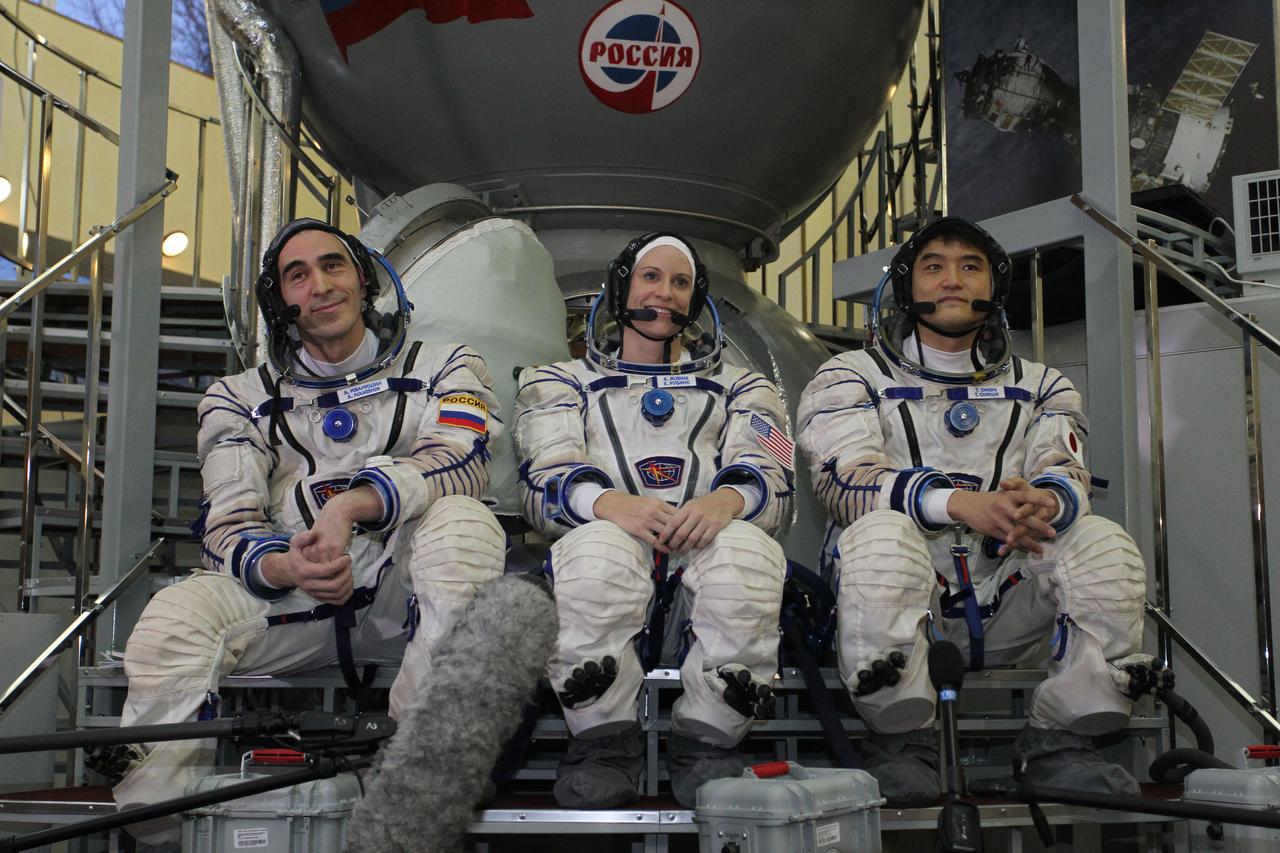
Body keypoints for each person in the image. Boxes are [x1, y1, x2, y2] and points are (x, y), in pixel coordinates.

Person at [99, 219, 506, 843]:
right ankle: (164, 829)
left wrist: (350, 508)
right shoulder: (237, 399)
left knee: (465, 524)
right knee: (174, 616)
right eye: (298, 275)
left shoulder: (449, 365)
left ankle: (412, 776)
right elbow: (228, 523)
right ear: (279, 302)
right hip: (299, 592)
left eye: (333, 265)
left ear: (364, 279)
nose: (320, 285)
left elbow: (463, 460)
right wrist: (287, 566)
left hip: (412, 592)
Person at [797, 217, 1157, 804]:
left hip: (1006, 589)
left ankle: (1060, 741)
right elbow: (845, 480)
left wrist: (1044, 502)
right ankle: (901, 740)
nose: (952, 281)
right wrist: (962, 504)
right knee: (881, 534)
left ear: (995, 284)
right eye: (934, 267)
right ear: (907, 287)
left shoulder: (1043, 386)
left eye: (971, 267)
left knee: (1102, 543)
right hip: (897, 592)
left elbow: (1065, 472)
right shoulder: (849, 376)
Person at [513, 233, 793, 808]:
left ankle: (709, 742)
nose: (664, 293)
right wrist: (615, 506)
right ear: (621, 288)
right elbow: (543, 478)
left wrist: (724, 503)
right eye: (650, 277)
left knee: (748, 552)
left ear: (695, 300)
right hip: (602, 582)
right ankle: (603, 741)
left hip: (700, 588)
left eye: (680, 282)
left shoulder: (744, 388)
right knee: (598, 552)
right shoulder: (559, 381)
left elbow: (773, 474)